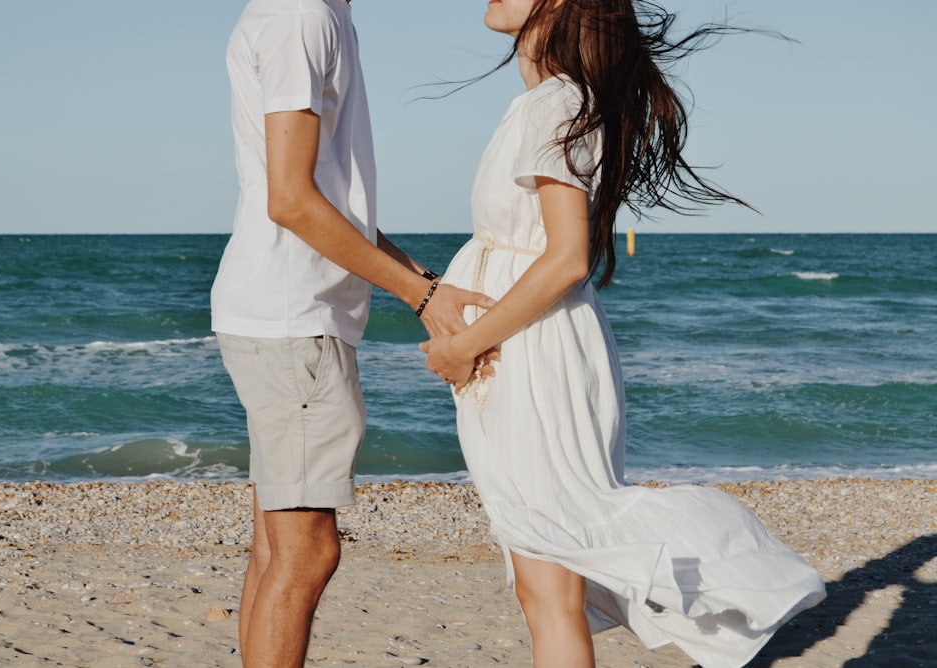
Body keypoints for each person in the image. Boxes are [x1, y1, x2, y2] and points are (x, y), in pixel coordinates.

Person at [421, 1, 826, 667]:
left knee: (552, 575)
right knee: (543, 579)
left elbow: (566, 258)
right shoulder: (547, 103)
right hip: (525, 346)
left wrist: (463, 345)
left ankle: (744, 569)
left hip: (532, 352)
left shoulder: (555, 105)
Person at [210, 1, 494, 666]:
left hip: (283, 313)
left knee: (279, 549)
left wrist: (425, 287)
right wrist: (416, 291)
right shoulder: (303, 14)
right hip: (293, 319)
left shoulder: (310, 11)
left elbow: (332, 206)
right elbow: (291, 199)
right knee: (307, 552)